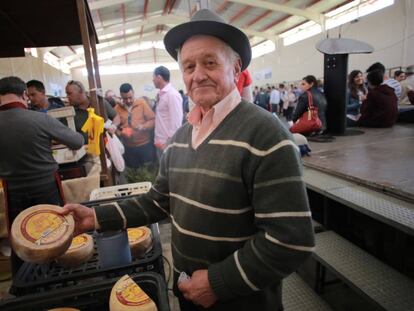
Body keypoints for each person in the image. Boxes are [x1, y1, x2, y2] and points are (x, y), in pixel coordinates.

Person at [62, 9, 314, 311]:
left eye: (210, 62)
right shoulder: (180, 138)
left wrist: (217, 283)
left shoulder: (266, 135)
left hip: (241, 301)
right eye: (189, 66)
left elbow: (290, 239)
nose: (198, 75)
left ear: (235, 68)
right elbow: (157, 202)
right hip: (188, 294)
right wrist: (95, 218)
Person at [0, 76, 84, 275]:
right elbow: (77, 141)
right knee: (55, 234)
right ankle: (58, 275)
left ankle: (25, 280)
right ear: (23, 95)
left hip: (14, 191)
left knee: (22, 238)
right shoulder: (40, 118)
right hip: (46, 188)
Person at [115, 83, 155, 169]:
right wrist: (121, 133)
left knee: (147, 171)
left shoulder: (142, 104)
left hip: (145, 145)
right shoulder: (117, 109)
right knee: (133, 173)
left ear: (133, 93)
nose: (128, 101)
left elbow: (152, 120)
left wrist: (143, 126)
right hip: (128, 147)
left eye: (130, 97)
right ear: (121, 96)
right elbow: (114, 127)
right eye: (125, 99)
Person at [152, 66, 183, 155]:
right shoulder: (161, 94)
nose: (153, 80)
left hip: (167, 143)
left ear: (159, 78)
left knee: (168, 167)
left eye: (153, 77)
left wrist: (169, 143)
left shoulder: (172, 95)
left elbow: (176, 122)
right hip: (159, 140)